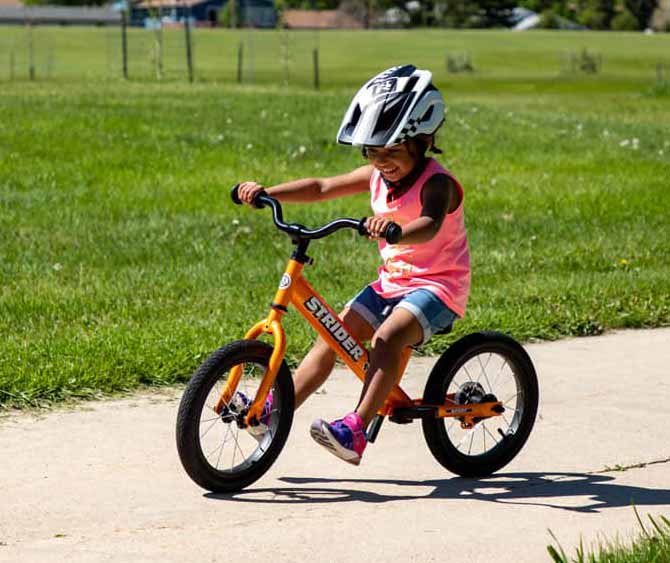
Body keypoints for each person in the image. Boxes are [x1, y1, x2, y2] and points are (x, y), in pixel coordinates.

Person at [237, 65, 470, 466]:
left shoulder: (437, 184)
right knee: (333, 335)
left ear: (423, 140)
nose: (382, 162)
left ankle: (356, 430)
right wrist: (265, 192)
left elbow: (429, 225)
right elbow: (322, 186)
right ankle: (275, 408)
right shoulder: (377, 174)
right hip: (393, 282)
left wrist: (396, 229)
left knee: (387, 338)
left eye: (393, 152)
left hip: (439, 286)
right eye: (373, 153)